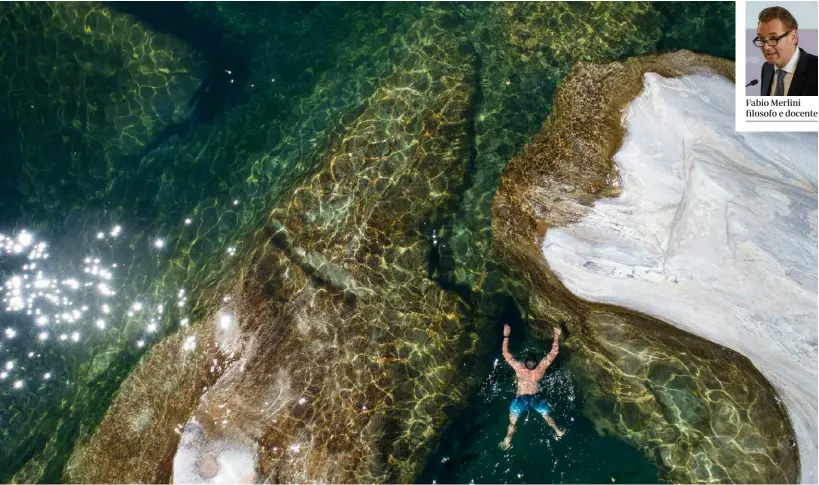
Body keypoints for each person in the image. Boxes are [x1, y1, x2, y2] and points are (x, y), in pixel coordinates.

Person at [499, 324, 565, 450]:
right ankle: (557, 431)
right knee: (546, 416)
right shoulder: (540, 368)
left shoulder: (519, 367)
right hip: (536, 397)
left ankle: (507, 439)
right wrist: (556, 335)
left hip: (521, 398)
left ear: (525, 363)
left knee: (513, 421)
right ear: (536, 363)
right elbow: (554, 352)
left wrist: (506, 336)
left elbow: (505, 353)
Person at [754, 6, 818, 96]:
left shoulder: (816, 68)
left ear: (793, 37)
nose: (766, 46)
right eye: (761, 39)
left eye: (773, 38)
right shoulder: (767, 68)